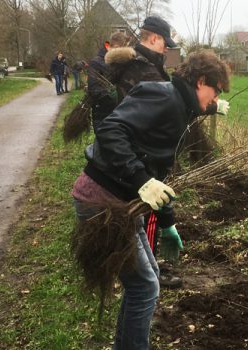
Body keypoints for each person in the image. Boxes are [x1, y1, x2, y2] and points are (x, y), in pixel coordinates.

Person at [71, 51, 230, 349]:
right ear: (201, 81)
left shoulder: (178, 105)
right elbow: (111, 130)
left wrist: (167, 221)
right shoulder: (163, 97)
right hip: (102, 200)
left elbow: (157, 171)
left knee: (148, 279)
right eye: (216, 91)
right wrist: (140, 180)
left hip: (119, 201)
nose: (216, 98)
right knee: (144, 287)